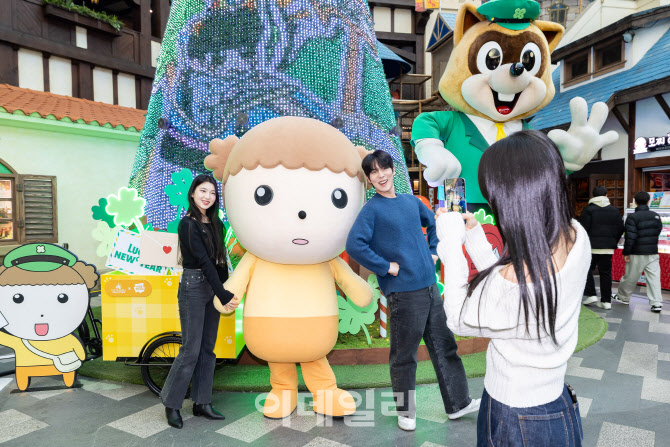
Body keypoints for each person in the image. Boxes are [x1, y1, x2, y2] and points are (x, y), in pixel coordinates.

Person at [436, 130, 587, 446]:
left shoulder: (513, 286)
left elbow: (458, 316)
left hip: (515, 417)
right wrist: (475, 235)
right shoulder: (575, 235)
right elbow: (507, 276)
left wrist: (450, 243)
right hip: (555, 404)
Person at [346, 150, 479, 432]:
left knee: (446, 347)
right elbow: (355, 244)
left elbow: (433, 224)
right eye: (373, 172)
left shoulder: (410, 202)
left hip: (429, 287)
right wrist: (385, 267)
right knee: (405, 355)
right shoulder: (371, 210)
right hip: (403, 294)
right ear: (369, 179)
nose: (380, 175)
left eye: (384, 168)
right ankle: (405, 412)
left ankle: (458, 403)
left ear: (393, 170)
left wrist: (433, 251)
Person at [161, 174, 240, 429]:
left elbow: (220, 261)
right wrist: (223, 293)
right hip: (193, 286)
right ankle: (171, 404)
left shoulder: (217, 223)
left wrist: (225, 288)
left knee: (208, 349)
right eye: (202, 191)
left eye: (212, 193)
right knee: (191, 349)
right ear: (193, 193)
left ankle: (201, 402)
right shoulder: (188, 224)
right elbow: (204, 262)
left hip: (212, 285)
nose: (207, 196)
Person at [613, 191, 663, 312]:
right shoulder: (656, 215)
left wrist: (626, 252)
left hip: (636, 252)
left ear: (635, 202)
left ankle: (623, 297)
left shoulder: (632, 217)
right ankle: (656, 303)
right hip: (652, 252)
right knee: (654, 278)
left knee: (630, 277)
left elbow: (630, 237)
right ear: (648, 201)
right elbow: (658, 231)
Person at [580, 186, 625, 310]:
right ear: (606, 196)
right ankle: (606, 301)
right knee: (606, 274)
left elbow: (582, 229)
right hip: (607, 248)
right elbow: (620, 229)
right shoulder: (614, 211)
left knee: (585, 270)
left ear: (593, 196)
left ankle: (591, 294)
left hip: (590, 247)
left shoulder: (588, 210)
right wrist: (612, 241)